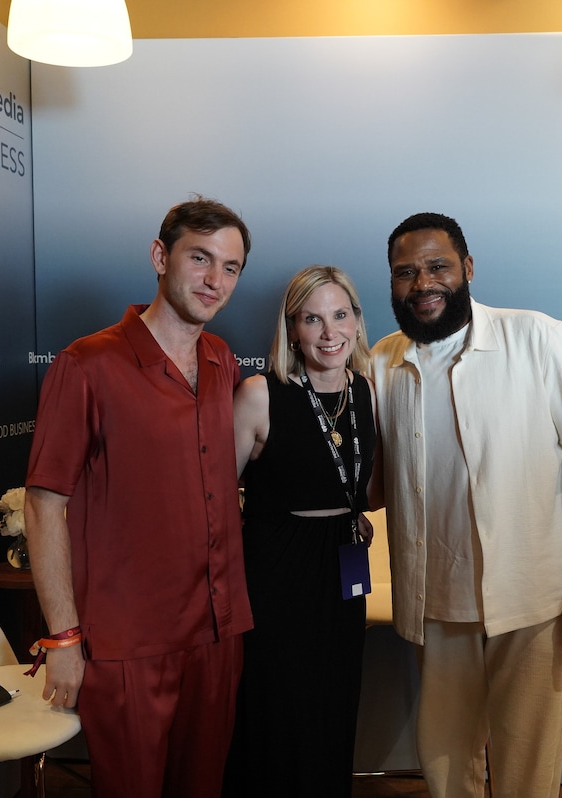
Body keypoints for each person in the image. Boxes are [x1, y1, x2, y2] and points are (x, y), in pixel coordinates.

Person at [368, 212, 562, 798]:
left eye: (437, 266)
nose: (422, 283)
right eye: (405, 272)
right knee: (446, 764)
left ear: (468, 268)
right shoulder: (379, 360)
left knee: (529, 763)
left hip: (535, 597)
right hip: (435, 599)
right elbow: (372, 484)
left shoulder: (536, 336)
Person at [23, 197, 254, 798]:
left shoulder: (221, 359)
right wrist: (63, 638)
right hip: (128, 641)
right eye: (200, 258)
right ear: (159, 256)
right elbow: (43, 506)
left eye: (230, 267)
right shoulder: (87, 364)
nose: (214, 279)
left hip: (218, 630)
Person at [222, 266, 377, 798]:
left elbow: (357, 482)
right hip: (276, 569)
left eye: (340, 315)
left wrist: (352, 513)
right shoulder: (260, 393)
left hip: (344, 563)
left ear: (357, 322)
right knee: (279, 704)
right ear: (292, 330)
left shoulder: (366, 391)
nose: (329, 332)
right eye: (313, 319)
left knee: (335, 697)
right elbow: (215, 498)